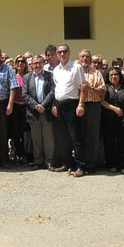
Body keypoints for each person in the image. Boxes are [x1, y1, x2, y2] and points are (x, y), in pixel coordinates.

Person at [50, 44, 86, 177]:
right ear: (57, 54)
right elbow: (56, 88)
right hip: (59, 105)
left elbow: (83, 87)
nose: (62, 54)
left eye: (64, 51)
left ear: (69, 53)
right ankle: (67, 163)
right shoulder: (56, 69)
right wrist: (54, 103)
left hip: (73, 105)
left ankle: (81, 166)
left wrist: (81, 104)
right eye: (59, 52)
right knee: (62, 137)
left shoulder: (76, 67)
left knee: (76, 137)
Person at [23, 55, 55, 170]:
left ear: (43, 63)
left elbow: (52, 92)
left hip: (46, 111)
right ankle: (38, 161)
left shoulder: (50, 76)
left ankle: (49, 161)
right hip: (34, 112)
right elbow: (25, 95)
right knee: (36, 138)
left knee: (48, 138)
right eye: (35, 63)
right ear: (31, 65)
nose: (37, 65)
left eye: (39, 63)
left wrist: (43, 105)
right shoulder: (27, 77)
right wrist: (36, 106)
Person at [101, 68, 124, 174]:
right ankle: (111, 164)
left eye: (116, 74)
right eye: (111, 75)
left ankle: (123, 165)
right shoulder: (105, 87)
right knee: (109, 142)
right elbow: (102, 101)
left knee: (122, 142)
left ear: (119, 76)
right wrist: (114, 108)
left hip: (123, 119)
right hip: (108, 118)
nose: (113, 77)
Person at [79, 49, 106, 173]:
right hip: (78, 105)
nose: (85, 58)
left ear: (90, 59)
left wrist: (89, 88)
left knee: (92, 135)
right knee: (79, 135)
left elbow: (102, 91)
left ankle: (90, 163)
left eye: (87, 56)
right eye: (82, 56)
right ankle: (80, 163)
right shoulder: (75, 71)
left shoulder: (97, 73)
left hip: (94, 106)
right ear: (79, 58)